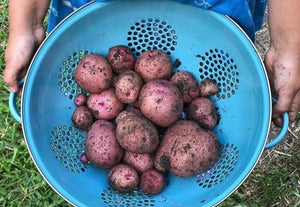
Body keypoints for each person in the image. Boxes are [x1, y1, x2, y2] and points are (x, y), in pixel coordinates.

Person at [3, 0, 300, 126]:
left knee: (226, 57)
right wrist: (27, 25)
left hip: (210, 9)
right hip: (95, 7)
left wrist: (289, 47)